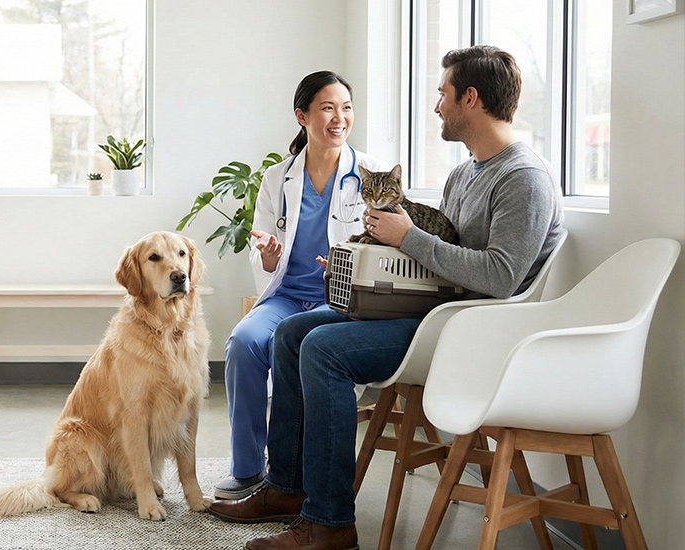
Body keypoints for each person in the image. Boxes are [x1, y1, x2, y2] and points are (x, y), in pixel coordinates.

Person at [209, 45, 565, 550]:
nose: (436, 106)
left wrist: (406, 238)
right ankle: (288, 488)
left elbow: (501, 278)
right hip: (436, 312)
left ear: (470, 98)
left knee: (323, 349)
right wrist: (367, 263)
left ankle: (330, 523)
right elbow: (441, 259)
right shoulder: (467, 172)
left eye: (443, 94)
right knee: (290, 332)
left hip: (469, 332)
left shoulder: (522, 178)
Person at [214, 71, 392, 501]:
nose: (339, 118)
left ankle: (292, 473)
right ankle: (248, 469)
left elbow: (388, 249)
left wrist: (351, 262)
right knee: (244, 342)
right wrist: (269, 256)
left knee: (291, 346)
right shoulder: (278, 178)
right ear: (302, 116)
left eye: (346, 107)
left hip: (338, 299)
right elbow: (261, 248)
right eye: (328, 108)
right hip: (287, 294)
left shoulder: (371, 174)